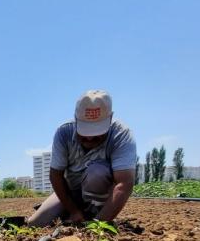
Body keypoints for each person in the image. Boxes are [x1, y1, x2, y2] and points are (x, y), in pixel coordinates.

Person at [27, 90, 136, 226]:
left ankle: (94, 215)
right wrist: (73, 211)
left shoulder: (121, 135)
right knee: (35, 223)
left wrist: (98, 225)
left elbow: (124, 183)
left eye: (97, 131)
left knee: (97, 172)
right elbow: (55, 176)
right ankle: (70, 213)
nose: (89, 138)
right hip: (71, 192)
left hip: (101, 193)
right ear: (76, 119)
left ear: (110, 118)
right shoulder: (64, 133)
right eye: (85, 131)